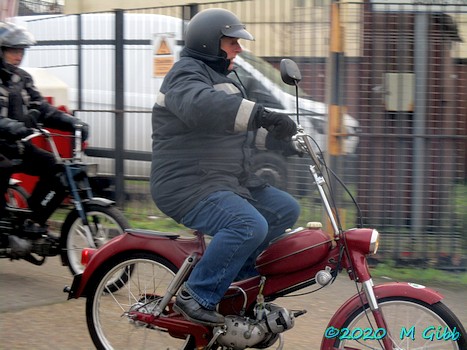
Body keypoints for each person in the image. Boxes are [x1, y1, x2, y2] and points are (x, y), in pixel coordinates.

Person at [150, 8, 300, 326]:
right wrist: (264, 115)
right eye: (233, 42)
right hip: (186, 184)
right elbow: (203, 108)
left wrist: (280, 142)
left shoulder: (222, 79)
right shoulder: (185, 75)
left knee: (284, 209)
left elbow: (235, 128)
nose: (239, 49)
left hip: (223, 179)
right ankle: (197, 294)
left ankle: (239, 285)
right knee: (248, 226)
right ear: (210, 43)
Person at [0, 22, 89, 232]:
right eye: (13, 50)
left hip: (18, 146)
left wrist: (72, 122)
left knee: (55, 169)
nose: (18, 56)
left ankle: (32, 221)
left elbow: (42, 108)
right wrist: (14, 127)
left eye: (21, 51)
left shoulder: (22, 78)